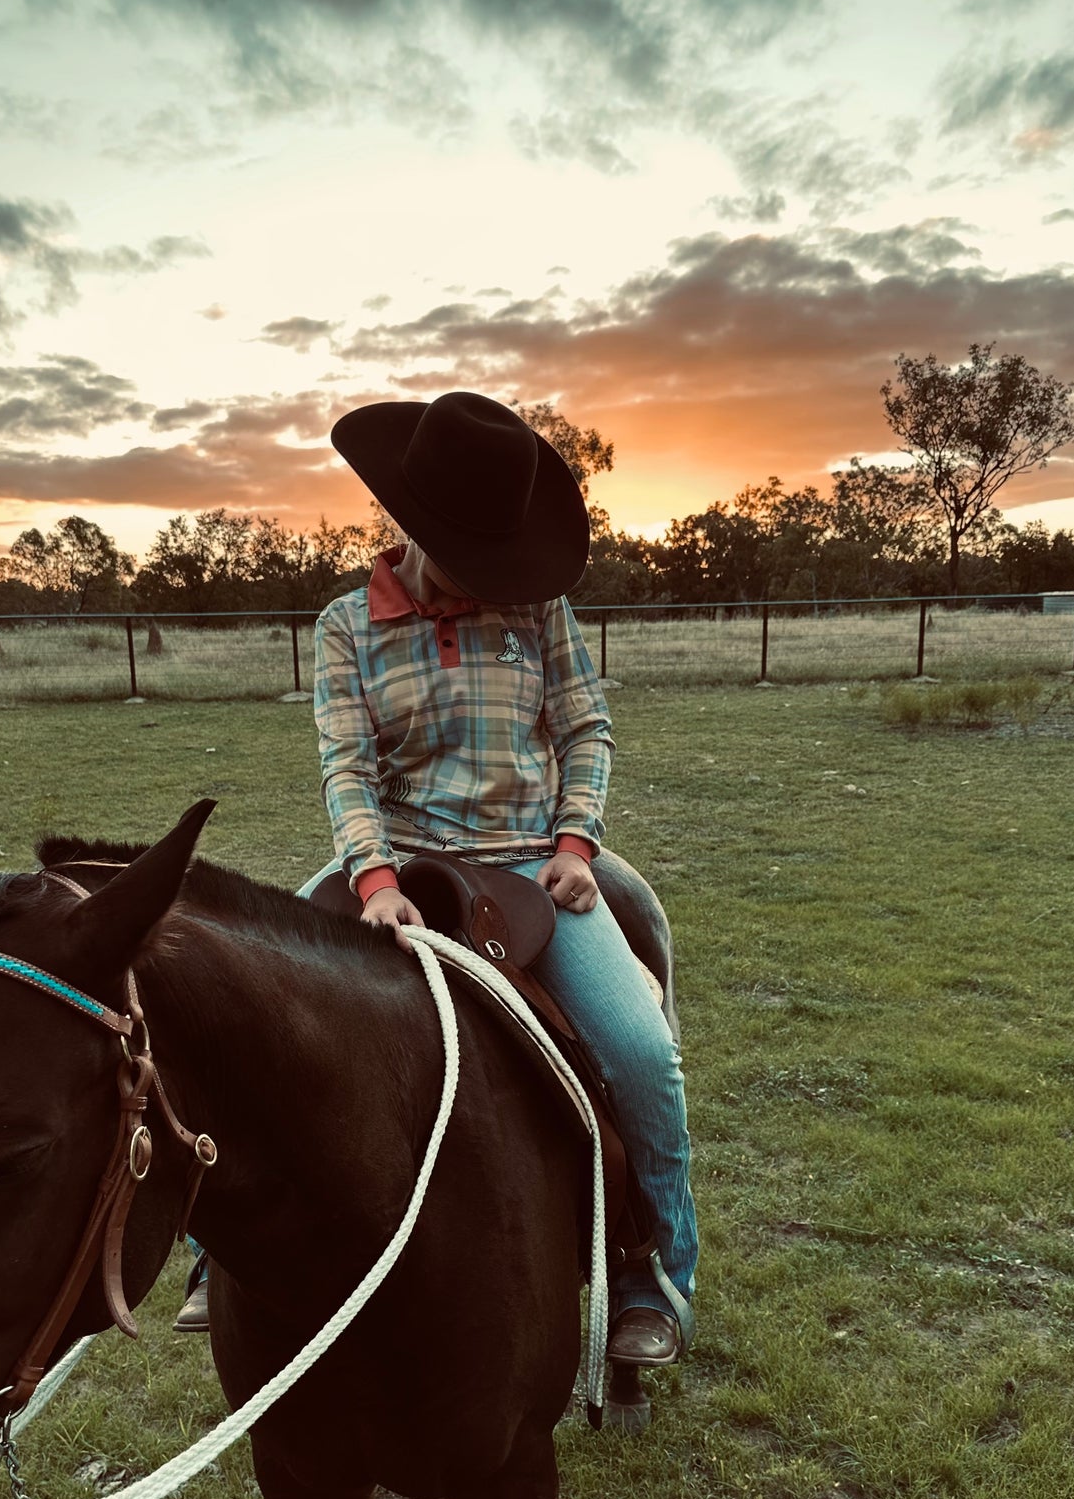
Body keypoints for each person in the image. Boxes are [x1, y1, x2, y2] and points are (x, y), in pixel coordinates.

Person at [176, 390, 696, 1365]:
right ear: (413, 526)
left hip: (525, 861)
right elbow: (348, 765)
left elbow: (584, 728)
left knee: (639, 1047)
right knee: (239, 993)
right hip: (397, 853)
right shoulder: (344, 628)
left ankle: (653, 1272)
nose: (488, 574)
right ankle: (214, 1248)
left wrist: (575, 847)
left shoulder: (538, 612)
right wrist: (372, 878)